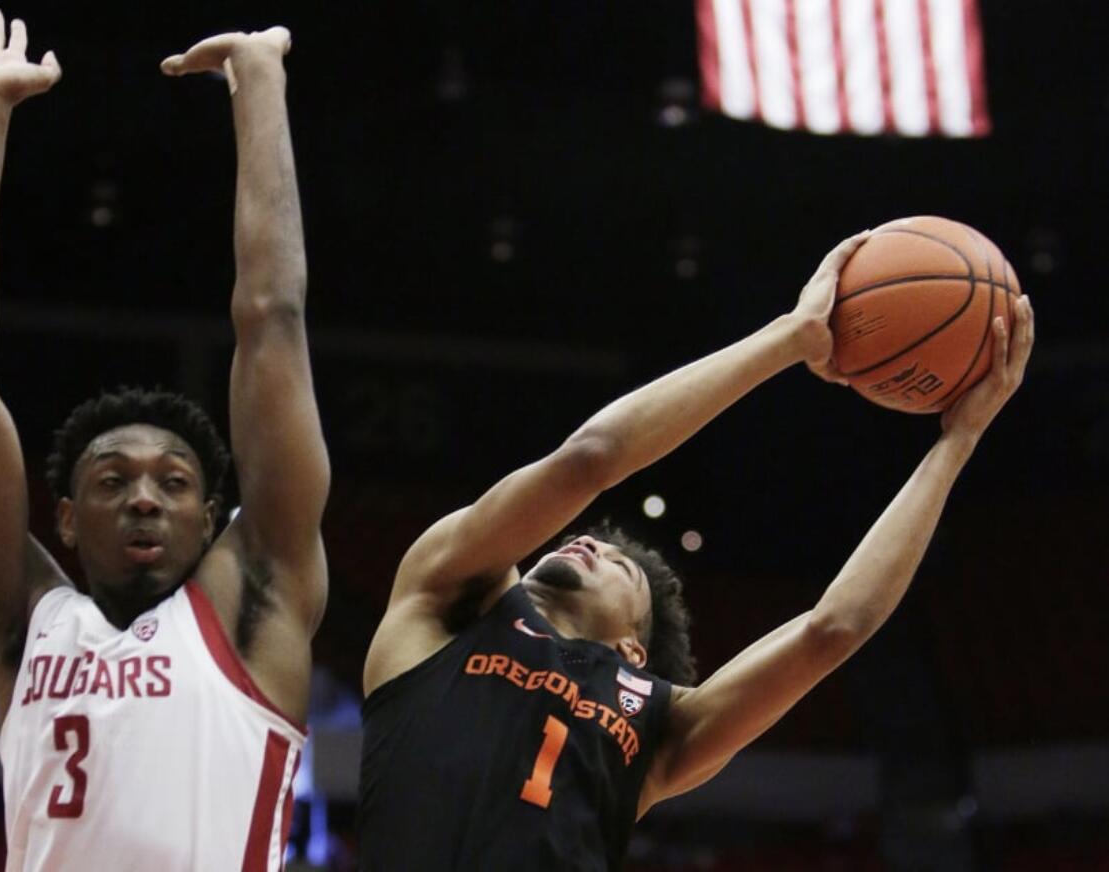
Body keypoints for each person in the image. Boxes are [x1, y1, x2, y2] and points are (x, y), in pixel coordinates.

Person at [359, 234, 1034, 869]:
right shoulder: (443, 603)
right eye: (581, 541)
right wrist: (788, 340)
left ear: (632, 650)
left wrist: (958, 443)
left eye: (618, 565)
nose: (585, 543)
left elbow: (834, 628)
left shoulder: (657, 727)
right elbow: (590, 459)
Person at [0, 8, 328, 870]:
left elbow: (272, 323)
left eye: (174, 482)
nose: (144, 494)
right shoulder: (26, 626)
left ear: (213, 513)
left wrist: (259, 85)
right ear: (64, 519)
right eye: (112, 480)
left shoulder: (253, 603)